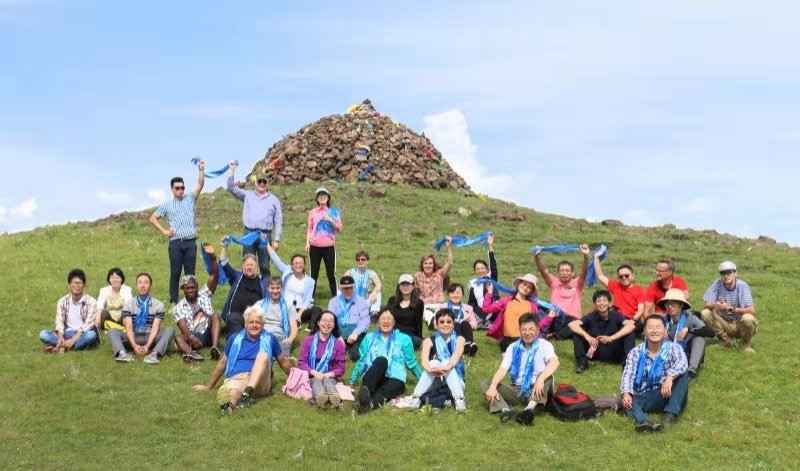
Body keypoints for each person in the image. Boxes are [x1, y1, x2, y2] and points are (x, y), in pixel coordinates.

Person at [193, 305, 293, 414]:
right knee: (234, 392)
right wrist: (208, 386)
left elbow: (283, 362)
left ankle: (247, 393)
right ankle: (228, 406)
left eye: (257, 322)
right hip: (237, 378)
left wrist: (296, 377)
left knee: (262, 356)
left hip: (260, 381)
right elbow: (223, 363)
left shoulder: (270, 339)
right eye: (251, 322)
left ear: (263, 325)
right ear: (245, 324)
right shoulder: (234, 339)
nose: (254, 325)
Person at [481, 313, 559, 426]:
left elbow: (554, 362)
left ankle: (529, 409)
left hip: (539, 388)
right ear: (520, 330)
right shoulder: (513, 347)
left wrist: (540, 380)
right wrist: (493, 387)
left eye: (531, 329)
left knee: (546, 376)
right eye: (524, 330)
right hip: (518, 390)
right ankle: (506, 411)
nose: (527, 333)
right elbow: (502, 370)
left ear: (537, 330)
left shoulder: (544, 345)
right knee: (486, 384)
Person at [621, 314, 689, 432]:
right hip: (650, 395)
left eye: (658, 327)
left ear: (665, 330)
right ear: (644, 331)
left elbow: (682, 363)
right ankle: (645, 421)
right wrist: (626, 393)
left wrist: (669, 378)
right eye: (650, 327)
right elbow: (628, 374)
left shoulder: (674, 348)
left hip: (673, 393)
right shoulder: (635, 352)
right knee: (627, 402)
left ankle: (670, 415)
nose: (654, 331)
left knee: (683, 374)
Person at [149, 165, 205, 305]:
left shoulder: (190, 198)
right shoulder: (167, 205)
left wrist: (201, 170)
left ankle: (192, 300)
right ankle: (174, 301)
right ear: (172, 189)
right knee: (175, 272)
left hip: (190, 241)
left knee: (190, 273)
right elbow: (153, 218)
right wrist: (164, 231)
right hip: (175, 243)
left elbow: (200, 184)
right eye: (177, 188)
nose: (180, 190)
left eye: (182, 188)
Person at [349, 309, 422, 414]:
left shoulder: (404, 339)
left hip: (395, 378)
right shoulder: (369, 338)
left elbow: (412, 363)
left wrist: (423, 379)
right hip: (373, 377)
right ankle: (365, 394)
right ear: (378, 321)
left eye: (389, 319)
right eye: (383, 318)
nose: (386, 321)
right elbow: (362, 362)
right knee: (381, 360)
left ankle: (368, 404)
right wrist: (352, 381)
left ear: (394, 322)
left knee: (385, 390)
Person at [226, 163, 283, 276]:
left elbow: (278, 221)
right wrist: (232, 170)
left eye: (264, 182)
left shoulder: (274, 200)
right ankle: (247, 290)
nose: (262, 184)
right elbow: (231, 187)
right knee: (248, 263)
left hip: (265, 235)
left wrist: (276, 240)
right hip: (249, 234)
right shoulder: (247, 195)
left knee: (264, 265)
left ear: (267, 184)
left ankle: (266, 291)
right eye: (259, 181)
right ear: (255, 183)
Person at [408, 309, 467, 412]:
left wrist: (445, 368)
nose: (445, 325)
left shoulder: (459, 339)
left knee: (445, 361)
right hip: (435, 379)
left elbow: (456, 356)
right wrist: (430, 370)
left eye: (449, 322)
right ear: (436, 324)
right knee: (433, 362)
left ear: (453, 324)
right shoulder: (428, 341)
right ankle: (416, 397)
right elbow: (424, 359)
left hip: (456, 382)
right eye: (442, 322)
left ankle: (459, 398)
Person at [109, 273, 175, 364]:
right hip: (133, 336)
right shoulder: (128, 304)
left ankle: (154, 354)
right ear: (136, 286)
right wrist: (134, 346)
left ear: (150, 286)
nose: (142, 286)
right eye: (140, 283)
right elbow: (128, 327)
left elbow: (155, 328)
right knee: (113, 331)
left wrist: (147, 346)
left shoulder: (159, 305)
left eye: (146, 283)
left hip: (150, 337)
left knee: (170, 330)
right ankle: (122, 354)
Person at [172, 243, 221, 362]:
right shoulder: (178, 307)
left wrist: (213, 257)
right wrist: (191, 337)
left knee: (215, 315)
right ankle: (192, 355)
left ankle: (214, 348)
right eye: (187, 288)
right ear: (183, 289)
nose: (191, 290)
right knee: (178, 337)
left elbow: (214, 275)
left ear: (197, 287)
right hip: (193, 334)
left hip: (208, 331)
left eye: (193, 287)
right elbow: (182, 324)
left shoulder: (204, 294)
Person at [568, 290, 636, 373]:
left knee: (630, 333)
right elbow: (571, 324)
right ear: (595, 304)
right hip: (594, 352)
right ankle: (582, 363)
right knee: (577, 333)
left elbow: (631, 326)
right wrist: (587, 336)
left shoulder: (616, 316)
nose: (601, 303)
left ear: (609, 304)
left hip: (614, 352)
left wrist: (611, 338)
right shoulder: (591, 317)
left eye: (604, 301)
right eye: (598, 301)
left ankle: (627, 363)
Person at [533, 244, 591, 338]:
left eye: (567, 271)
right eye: (562, 271)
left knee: (581, 325)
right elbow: (543, 271)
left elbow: (584, 272)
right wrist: (537, 257)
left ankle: (555, 336)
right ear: (558, 273)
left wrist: (586, 256)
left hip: (572, 320)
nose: (564, 273)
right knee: (542, 312)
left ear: (572, 273)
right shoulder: (553, 283)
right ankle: (554, 333)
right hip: (555, 318)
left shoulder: (577, 284)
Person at [700, 261, 757, 353]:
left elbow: (751, 310)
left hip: (739, 322)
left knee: (748, 318)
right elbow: (706, 305)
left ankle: (745, 345)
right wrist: (715, 305)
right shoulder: (717, 283)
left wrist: (730, 308)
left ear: (735, 273)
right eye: (723, 273)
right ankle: (725, 341)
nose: (726, 276)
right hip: (724, 321)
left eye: (729, 272)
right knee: (705, 313)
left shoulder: (742, 286)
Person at [40, 268, 99, 353]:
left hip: (82, 334)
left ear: (84, 286)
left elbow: (88, 325)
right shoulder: (62, 301)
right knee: (43, 334)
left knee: (91, 335)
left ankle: (59, 348)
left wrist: (73, 340)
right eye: (74, 283)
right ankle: (67, 346)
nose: (77, 286)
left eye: (79, 283)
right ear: (69, 285)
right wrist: (61, 338)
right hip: (66, 333)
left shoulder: (91, 302)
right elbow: (59, 323)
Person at [219, 239, 269, 335]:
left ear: (257, 267)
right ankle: (237, 341)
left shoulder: (264, 281)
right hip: (236, 316)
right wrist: (224, 247)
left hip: (255, 317)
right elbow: (223, 264)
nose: (249, 267)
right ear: (243, 267)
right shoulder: (237, 276)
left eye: (252, 265)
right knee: (234, 321)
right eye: (247, 265)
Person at [298, 311, 347, 408]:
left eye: (330, 321)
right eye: (324, 320)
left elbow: (341, 368)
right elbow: (302, 362)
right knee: (316, 381)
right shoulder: (308, 340)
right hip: (312, 376)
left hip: (330, 376)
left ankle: (334, 397)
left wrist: (329, 374)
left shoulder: (338, 344)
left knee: (328, 382)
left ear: (334, 325)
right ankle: (321, 397)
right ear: (318, 323)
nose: (327, 323)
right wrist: (314, 373)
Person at [484, 274, 542, 352]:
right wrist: (490, 293)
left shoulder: (532, 305)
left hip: (525, 340)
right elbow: (487, 309)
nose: (525, 288)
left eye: (529, 287)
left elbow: (538, 324)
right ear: (519, 284)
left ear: (531, 291)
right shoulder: (507, 300)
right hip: (507, 340)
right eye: (524, 284)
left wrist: (549, 317)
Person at [659, 289, 707, 379]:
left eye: (673, 303)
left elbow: (709, 332)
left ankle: (691, 372)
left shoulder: (690, 317)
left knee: (699, 338)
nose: (670, 306)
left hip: (687, 354)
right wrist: (659, 332)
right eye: (667, 303)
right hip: (668, 356)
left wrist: (688, 329)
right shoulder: (661, 319)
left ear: (681, 305)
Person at [266, 243, 315, 328]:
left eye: (301, 263)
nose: (298, 265)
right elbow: (275, 259)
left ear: (304, 265)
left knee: (317, 310)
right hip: (286, 306)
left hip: (300, 309)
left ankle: (310, 327)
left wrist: (299, 314)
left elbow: (307, 300)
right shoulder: (287, 272)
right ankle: (293, 322)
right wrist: (266, 242)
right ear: (292, 265)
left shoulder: (310, 281)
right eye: (296, 263)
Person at [592, 248, 646, 325]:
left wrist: (633, 320)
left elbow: (641, 310)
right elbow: (600, 276)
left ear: (632, 276)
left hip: (632, 319)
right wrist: (596, 258)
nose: (624, 278)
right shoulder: (616, 286)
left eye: (626, 275)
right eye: (621, 276)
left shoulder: (639, 290)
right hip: (617, 318)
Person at [305, 187, 342, 299]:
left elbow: (339, 228)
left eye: (324, 195)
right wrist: (307, 243)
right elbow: (310, 228)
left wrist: (330, 220)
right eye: (320, 196)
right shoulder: (312, 212)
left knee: (331, 274)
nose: (322, 197)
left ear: (328, 198)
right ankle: (310, 298)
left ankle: (335, 297)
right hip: (315, 247)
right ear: (317, 198)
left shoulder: (333, 211)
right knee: (313, 273)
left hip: (329, 247)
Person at [327, 275, 371, 361]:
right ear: (340, 289)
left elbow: (365, 321)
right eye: (345, 288)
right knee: (332, 356)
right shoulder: (333, 302)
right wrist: (338, 336)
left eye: (350, 288)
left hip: (356, 333)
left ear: (354, 287)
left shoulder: (361, 302)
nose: (348, 291)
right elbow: (330, 320)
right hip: (338, 331)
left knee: (356, 356)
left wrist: (355, 333)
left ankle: (351, 349)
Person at [255, 276, 299, 357]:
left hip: (280, 338)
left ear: (281, 288)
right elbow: (252, 323)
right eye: (272, 288)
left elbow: (294, 327)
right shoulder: (259, 304)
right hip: (262, 337)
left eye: (277, 288)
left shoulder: (289, 306)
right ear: (268, 288)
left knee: (283, 350)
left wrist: (290, 339)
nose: (275, 291)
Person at [431, 283, 479, 356]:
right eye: (452, 293)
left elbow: (475, 324)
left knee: (465, 323)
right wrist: (447, 324)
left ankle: (470, 344)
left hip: (464, 331)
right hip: (448, 332)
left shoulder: (468, 308)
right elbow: (435, 324)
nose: (455, 295)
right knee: (455, 324)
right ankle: (460, 345)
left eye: (458, 293)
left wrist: (464, 322)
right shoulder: (442, 308)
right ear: (448, 294)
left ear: (462, 294)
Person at [414, 238, 454, 326]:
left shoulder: (440, 274)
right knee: (429, 316)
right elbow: (415, 292)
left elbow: (450, 262)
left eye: (430, 263)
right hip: (426, 305)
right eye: (425, 263)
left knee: (445, 316)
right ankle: (435, 325)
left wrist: (448, 247)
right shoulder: (417, 276)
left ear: (433, 265)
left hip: (440, 304)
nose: (428, 265)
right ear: (422, 265)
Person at [386, 274, 425, 349]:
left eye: (408, 284)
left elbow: (419, 323)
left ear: (413, 286)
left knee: (415, 341)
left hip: (409, 335)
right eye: (403, 284)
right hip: (393, 333)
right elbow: (387, 318)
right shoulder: (392, 300)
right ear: (399, 287)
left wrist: (419, 337)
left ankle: (396, 344)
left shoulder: (419, 303)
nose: (405, 287)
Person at [467, 234, 498, 327]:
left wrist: (490, 246)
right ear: (475, 271)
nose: (480, 270)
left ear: (487, 270)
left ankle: (486, 322)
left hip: (493, 309)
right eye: (477, 269)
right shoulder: (473, 284)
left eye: (482, 268)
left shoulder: (491, 279)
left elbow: (493, 265)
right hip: (480, 311)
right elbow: (472, 302)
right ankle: (483, 321)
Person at [343, 250, 382, 318]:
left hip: (366, 300)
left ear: (367, 261)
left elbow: (379, 284)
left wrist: (375, 292)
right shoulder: (350, 272)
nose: (360, 261)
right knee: (339, 290)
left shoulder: (371, 273)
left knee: (378, 293)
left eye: (363, 259)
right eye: (358, 260)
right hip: (352, 300)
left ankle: (374, 313)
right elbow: (342, 283)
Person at [94, 267, 133, 332]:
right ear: (109, 280)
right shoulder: (104, 290)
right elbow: (99, 306)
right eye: (112, 278)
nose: (115, 280)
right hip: (109, 315)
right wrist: (97, 318)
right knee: (101, 313)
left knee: (127, 315)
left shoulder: (126, 290)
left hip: (121, 315)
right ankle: (103, 328)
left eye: (117, 278)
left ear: (121, 279)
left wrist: (126, 319)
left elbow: (129, 306)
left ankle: (121, 327)